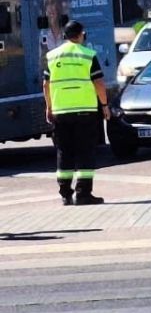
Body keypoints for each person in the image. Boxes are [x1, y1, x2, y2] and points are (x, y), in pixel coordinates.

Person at [43, 20, 110, 206]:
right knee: (85, 152)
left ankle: (65, 194)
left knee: (64, 151)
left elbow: (46, 84)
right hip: (85, 112)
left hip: (61, 112)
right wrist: (104, 105)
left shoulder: (52, 56)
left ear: (65, 35)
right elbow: (99, 83)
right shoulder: (88, 55)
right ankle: (83, 194)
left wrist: (49, 107)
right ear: (81, 35)